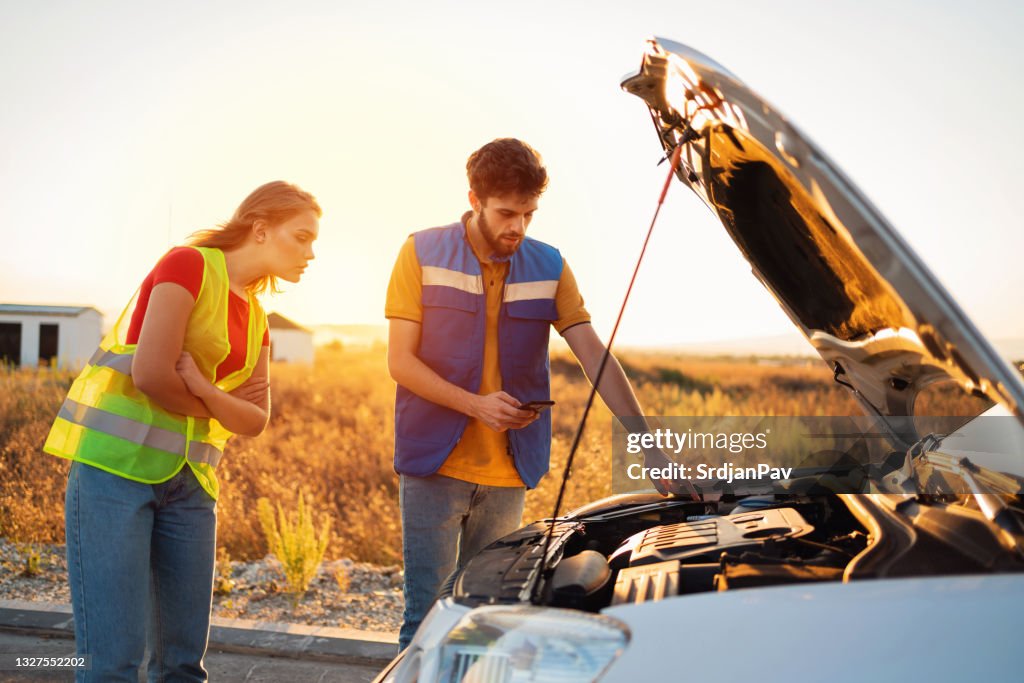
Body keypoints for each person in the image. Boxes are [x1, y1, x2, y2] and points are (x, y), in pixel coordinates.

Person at [385, 138, 683, 650]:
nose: (517, 227)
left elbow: (595, 356)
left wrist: (650, 449)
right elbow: (400, 363)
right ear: (474, 200)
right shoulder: (420, 251)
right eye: (506, 212)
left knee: (489, 624)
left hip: (509, 474)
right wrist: (475, 404)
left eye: (528, 213)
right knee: (426, 622)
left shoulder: (550, 265)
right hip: (433, 466)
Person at [43, 181, 320, 682]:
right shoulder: (187, 265)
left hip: (192, 487)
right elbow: (151, 375)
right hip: (115, 476)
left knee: (183, 666)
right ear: (260, 229)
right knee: (113, 664)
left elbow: (255, 420)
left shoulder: (256, 316)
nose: (310, 253)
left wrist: (201, 389)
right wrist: (219, 407)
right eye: (301, 238)